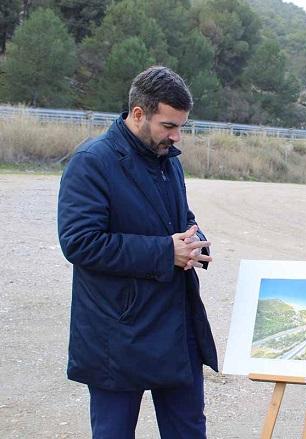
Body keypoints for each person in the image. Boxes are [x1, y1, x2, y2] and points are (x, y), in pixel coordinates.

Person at [58, 66, 218, 438]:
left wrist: (195, 243)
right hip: (117, 332)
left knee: (189, 431)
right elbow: (80, 242)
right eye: (168, 126)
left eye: (181, 126)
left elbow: (181, 219)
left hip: (175, 328)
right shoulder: (92, 162)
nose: (177, 136)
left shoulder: (168, 159)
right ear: (138, 114)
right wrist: (166, 252)